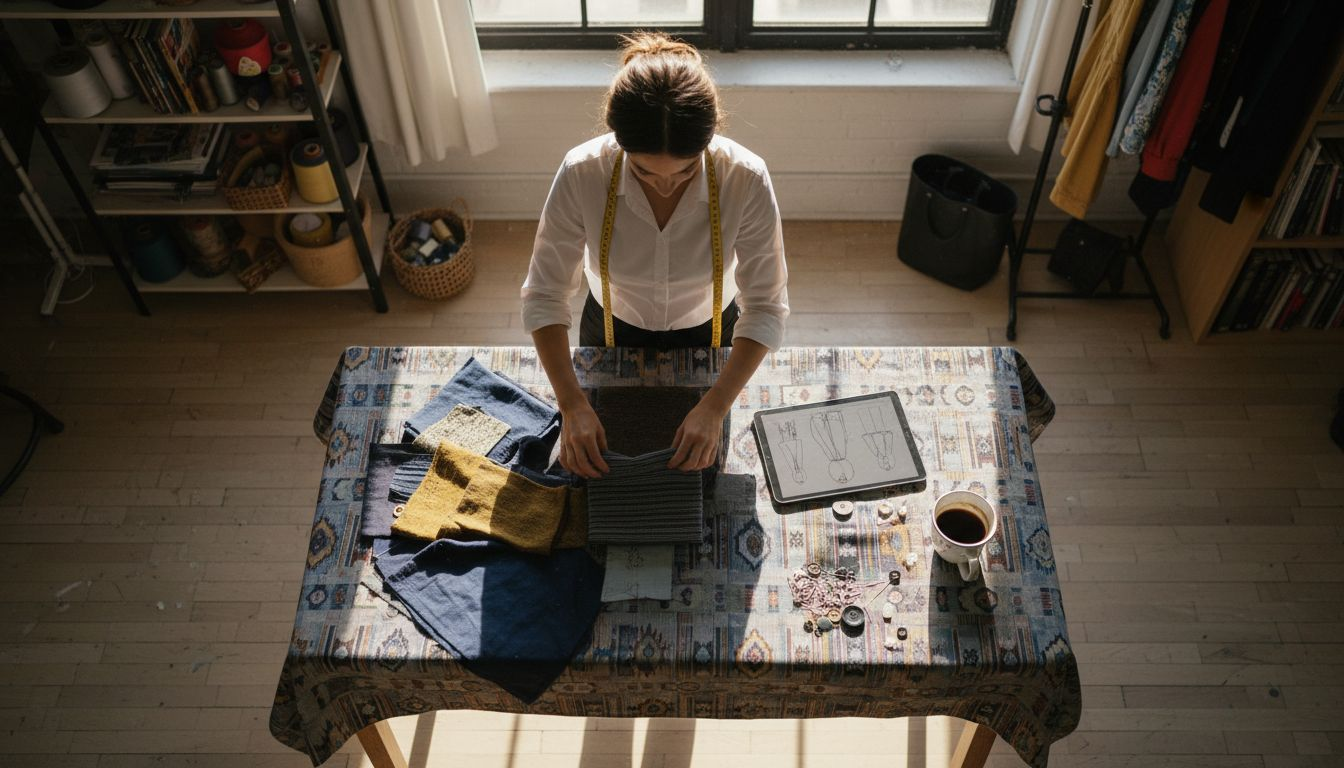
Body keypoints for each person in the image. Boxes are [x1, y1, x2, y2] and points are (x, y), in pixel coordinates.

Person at [521, 31, 789, 479]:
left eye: (686, 170)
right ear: (618, 140)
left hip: (710, 329)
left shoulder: (745, 178)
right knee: (602, 469)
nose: (665, 184)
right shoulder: (583, 172)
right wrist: (570, 404)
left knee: (700, 468)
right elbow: (545, 294)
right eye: (644, 170)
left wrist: (716, 405)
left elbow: (765, 305)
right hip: (609, 328)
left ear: (709, 138)